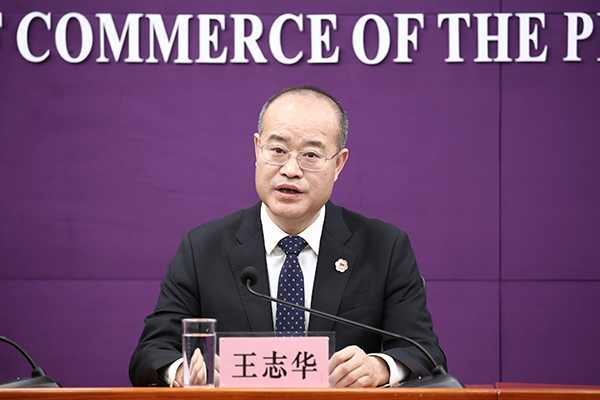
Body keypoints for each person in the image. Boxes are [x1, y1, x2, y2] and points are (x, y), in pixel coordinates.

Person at [129, 85, 446, 388]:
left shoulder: (384, 248)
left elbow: (424, 351)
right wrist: (185, 370)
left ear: (338, 164)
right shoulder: (202, 249)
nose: (291, 169)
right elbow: (151, 352)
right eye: (278, 150)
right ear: (257, 150)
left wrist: (379, 367)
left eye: (311, 155)